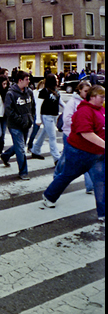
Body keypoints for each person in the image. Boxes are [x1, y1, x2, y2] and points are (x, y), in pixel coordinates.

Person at [42, 85, 105, 220]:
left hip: (97, 154)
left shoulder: (101, 110)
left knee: (100, 182)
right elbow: (86, 133)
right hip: (79, 152)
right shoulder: (85, 111)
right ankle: (49, 196)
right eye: (102, 96)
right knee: (67, 175)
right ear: (93, 97)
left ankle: (103, 213)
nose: (104, 99)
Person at [55, 80, 94, 193]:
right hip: (70, 135)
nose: (87, 93)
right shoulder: (72, 102)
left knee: (87, 160)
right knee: (65, 159)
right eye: (85, 91)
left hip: (84, 135)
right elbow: (66, 119)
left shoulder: (89, 102)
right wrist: (81, 124)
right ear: (80, 90)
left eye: (89, 91)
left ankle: (90, 185)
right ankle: (57, 176)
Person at [0, 70, 35, 180]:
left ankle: (5, 155)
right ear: (20, 80)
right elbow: (9, 111)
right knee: (20, 148)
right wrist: (20, 120)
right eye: (26, 79)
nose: (28, 81)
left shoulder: (29, 92)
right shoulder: (11, 94)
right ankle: (23, 172)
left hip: (26, 123)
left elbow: (32, 107)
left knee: (19, 145)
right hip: (15, 125)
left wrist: (31, 118)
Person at [30, 73, 63, 164]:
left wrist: (69, 108)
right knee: (52, 137)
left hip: (54, 116)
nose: (57, 80)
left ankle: (35, 150)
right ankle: (57, 158)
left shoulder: (56, 91)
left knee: (44, 133)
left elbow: (60, 102)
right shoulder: (43, 91)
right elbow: (38, 106)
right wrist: (38, 119)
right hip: (46, 116)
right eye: (56, 79)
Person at [27, 79, 45, 151]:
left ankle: (30, 145)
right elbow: (37, 104)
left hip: (35, 112)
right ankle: (30, 145)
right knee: (35, 130)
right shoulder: (39, 92)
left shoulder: (35, 91)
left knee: (35, 130)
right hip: (37, 113)